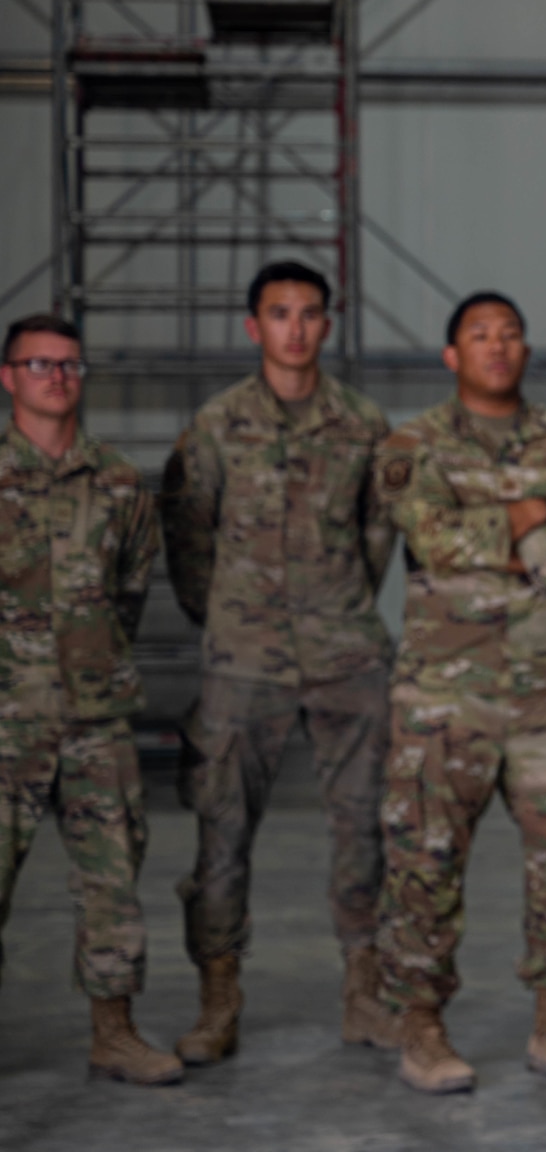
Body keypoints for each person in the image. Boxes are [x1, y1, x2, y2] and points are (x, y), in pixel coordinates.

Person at [372, 291, 546, 1094]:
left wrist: (502, 539)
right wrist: (527, 516)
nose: (497, 345)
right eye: (479, 335)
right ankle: (421, 1028)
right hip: (445, 696)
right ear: (452, 355)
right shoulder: (412, 443)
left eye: (510, 333)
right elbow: (431, 536)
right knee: (425, 862)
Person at [159, 261, 399, 1065]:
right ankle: (217, 998)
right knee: (222, 834)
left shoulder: (364, 425)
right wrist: (226, 615)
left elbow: (377, 535)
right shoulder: (216, 425)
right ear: (252, 325)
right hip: (244, 657)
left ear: (327, 326)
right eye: (278, 312)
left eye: (309, 313)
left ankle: (365, 992)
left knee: (364, 826)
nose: (295, 327)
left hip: (346, 653)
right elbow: (189, 539)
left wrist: (337, 610)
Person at [0, 313, 177, 1085]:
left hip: (95, 719)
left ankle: (115, 1033)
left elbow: (129, 593)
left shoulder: (118, 483)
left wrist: (90, 664)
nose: (56, 376)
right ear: (8, 378)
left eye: (69, 364)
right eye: (38, 364)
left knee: (112, 878)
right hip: (3, 719)